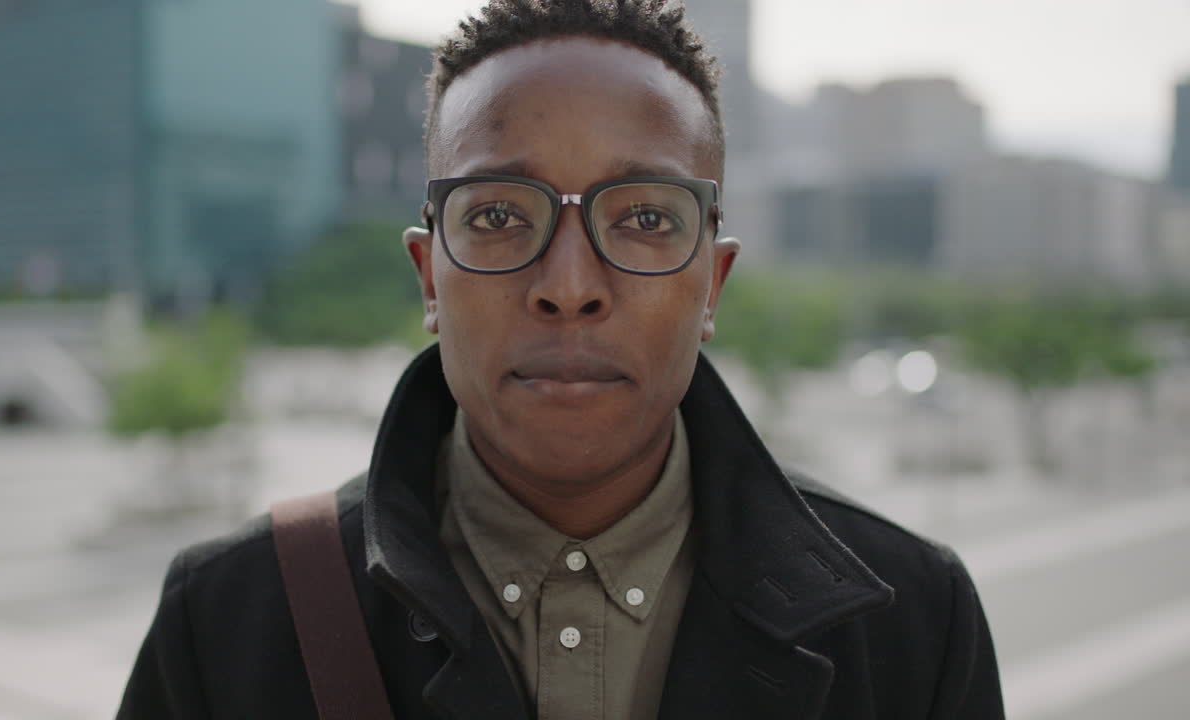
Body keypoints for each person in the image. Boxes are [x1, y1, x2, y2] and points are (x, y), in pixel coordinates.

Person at [117, 1, 1004, 718]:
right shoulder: (231, 622)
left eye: (647, 218)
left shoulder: (912, 624)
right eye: (500, 215)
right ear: (430, 276)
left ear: (712, 286)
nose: (569, 285)